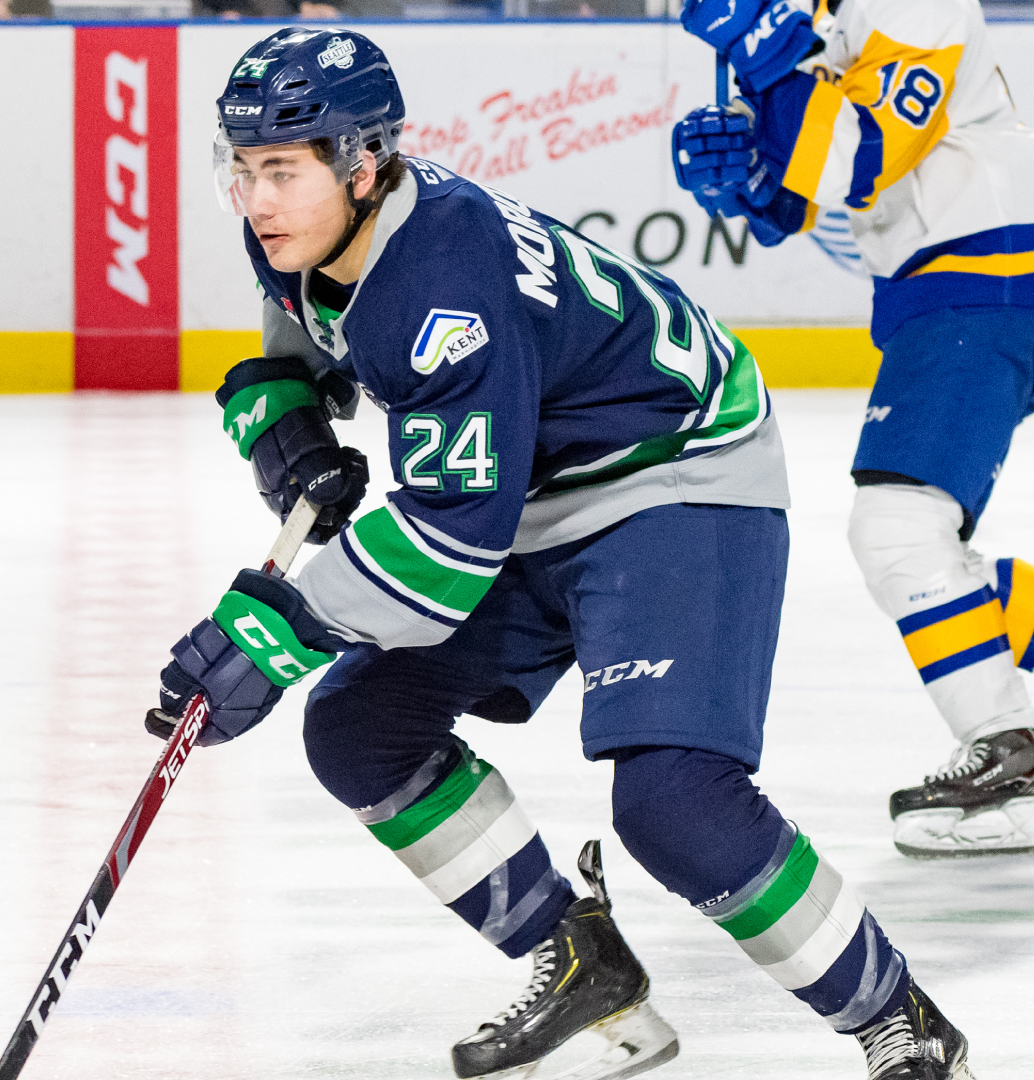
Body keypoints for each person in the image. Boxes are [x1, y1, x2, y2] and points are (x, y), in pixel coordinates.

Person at [150, 26, 975, 1080]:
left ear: (363, 164)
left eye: (283, 171)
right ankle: (583, 968)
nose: (258, 201)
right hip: (534, 485)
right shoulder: (310, 231)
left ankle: (899, 1020)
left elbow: (449, 547)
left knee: (674, 801)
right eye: (244, 169)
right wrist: (287, 409)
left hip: (673, 473)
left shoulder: (441, 281)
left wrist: (279, 632)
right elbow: (305, 324)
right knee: (361, 729)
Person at [668, 0, 1034, 858]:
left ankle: (1011, 762)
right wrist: (745, 174)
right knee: (923, 551)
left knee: (899, 532)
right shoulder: (805, 15)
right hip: (952, 285)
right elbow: (797, 194)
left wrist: (769, 51)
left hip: (989, 271)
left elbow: (860, 157)